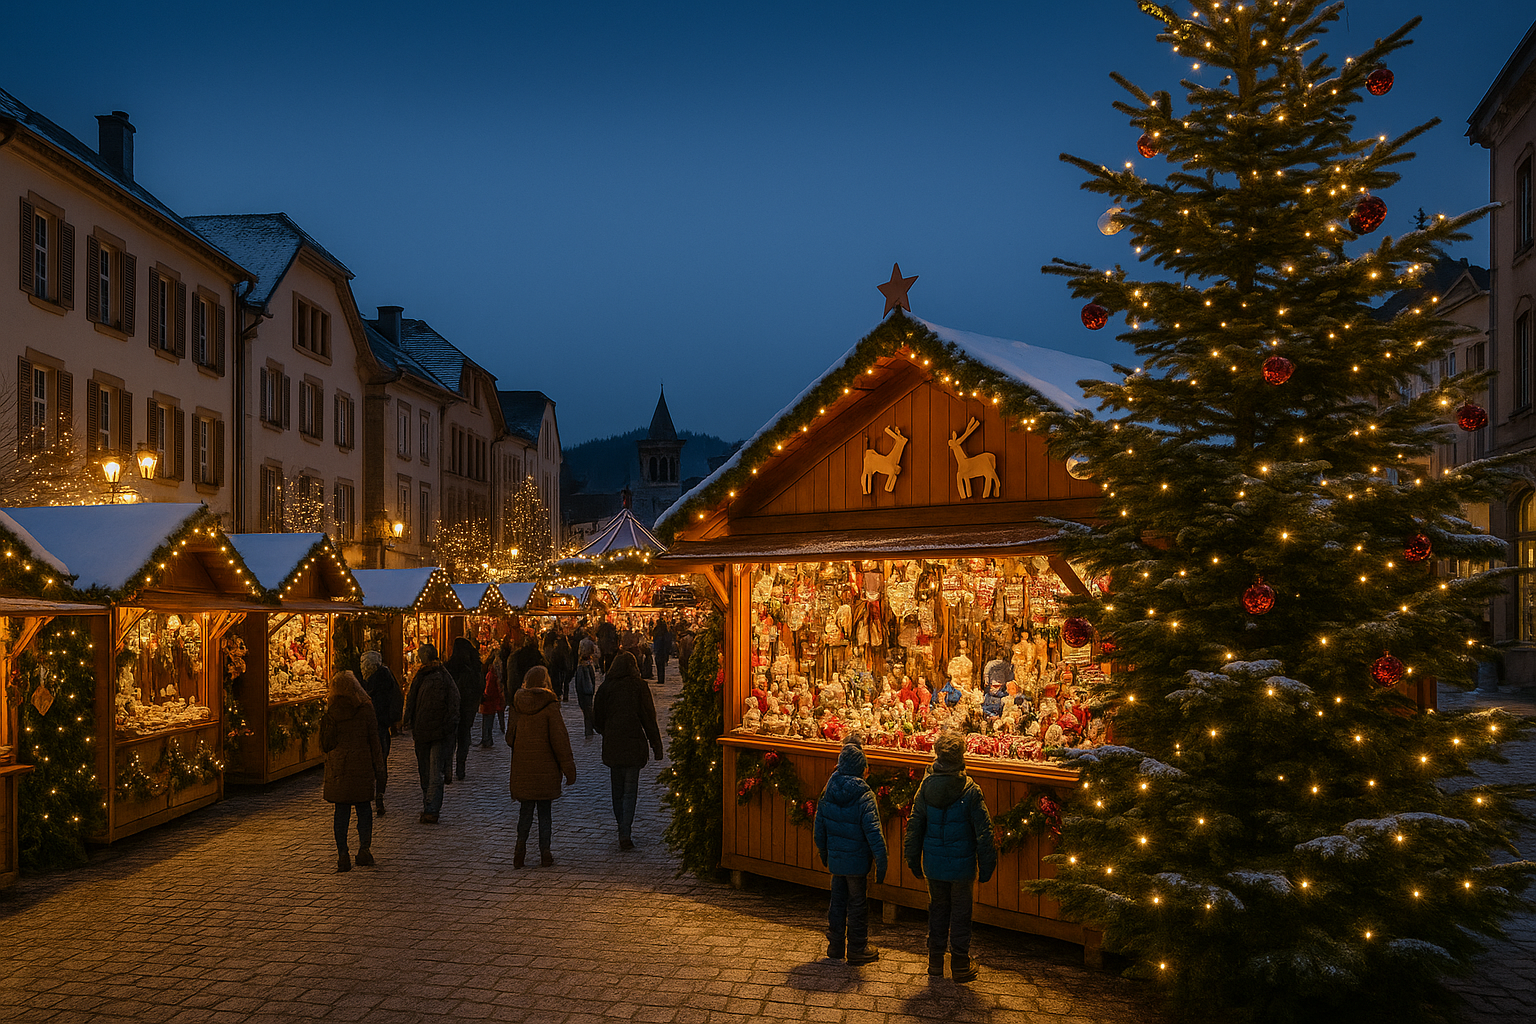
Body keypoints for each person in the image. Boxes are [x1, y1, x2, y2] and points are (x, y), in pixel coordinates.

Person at [904, 731, 997, 983]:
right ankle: (959, 963)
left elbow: (915, 825)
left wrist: (912, 858)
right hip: (962, 866)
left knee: (937, 910)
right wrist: (987, 866)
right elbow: (984, 832)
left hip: (933, 865)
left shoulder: (925, 788)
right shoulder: (970, 791)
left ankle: (935, 962)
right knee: (960, 914)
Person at [813, 737, 887, 964]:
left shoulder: (828, 790)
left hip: (836, 860)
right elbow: (874, 832)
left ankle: (835, 945)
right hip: (857, 862)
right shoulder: (865, 796)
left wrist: (824, 853)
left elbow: (819, 827)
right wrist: (881, 862)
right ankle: (857, 947)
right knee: (857, 903)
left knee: (837, 901)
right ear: (862, 769)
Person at [591, 651, 665, 850]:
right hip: (633, 745)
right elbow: (648, 718)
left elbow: (597, 717)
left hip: (614, 745)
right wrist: (656, 744)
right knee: (630, 790)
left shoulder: (606, 688)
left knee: (617, 790)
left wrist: (606, 730)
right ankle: (625, 831)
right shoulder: (638, 686)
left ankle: (621, 827)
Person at [505, 665, 577, 868]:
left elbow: (510, 738)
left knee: (525, 811)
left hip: (524, 769)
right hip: (546, 771)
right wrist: (569, 768)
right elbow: (560, 740)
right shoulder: (550, 706)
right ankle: (545, 852)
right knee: (545, 812)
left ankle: (519, 850)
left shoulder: (517, 705)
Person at [320, 670, 386, 872]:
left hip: (339, 768)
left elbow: (325, 744)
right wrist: (380, 768)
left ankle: (342, 854)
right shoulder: (365, 709)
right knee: (364, 809)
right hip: (362, 765)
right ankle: (364, 850)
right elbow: (375, 741)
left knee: (341, 812)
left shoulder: (331, 712)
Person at [403, 643, 459, 824]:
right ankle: (428, 804)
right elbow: (412, 699)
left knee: (434, 772)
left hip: (437, 733)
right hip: (422, 732)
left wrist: (448, 727)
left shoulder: (442, 676)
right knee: (426, 772)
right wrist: (408, 720)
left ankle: (432, 809)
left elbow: (454, 703)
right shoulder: (422, 676)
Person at [358, 650, 402, 817]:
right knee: (380, 761)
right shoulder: (381, 678)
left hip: (378, 727)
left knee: (376, 761)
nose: (363, 669)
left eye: (364, 665)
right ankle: (378, 795)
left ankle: (375, 795)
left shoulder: (372, 682)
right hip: (381, 726)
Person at [446, 636, 484, 782]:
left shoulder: (451, 667)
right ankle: (460, 766)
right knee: (464, 736)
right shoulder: (475, 667)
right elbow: (480, 685)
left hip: (454, 707)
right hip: (468, 708)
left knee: (451, 737)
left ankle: (449, 767)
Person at [480, 639, 512, 747]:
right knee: (488, 720)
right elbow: (490, 688)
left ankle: (487, 738)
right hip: (490, 700)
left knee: (488, 720)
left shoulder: (490, 674)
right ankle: (487, 739)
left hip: (490, 700)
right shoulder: (492, 675)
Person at [574, 629, 599, 737]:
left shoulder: (580, 666)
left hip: (582, 691)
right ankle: (590, 728)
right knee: (588, 707)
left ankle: (589, 728)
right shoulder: (588, 667)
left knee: (585, 708)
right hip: (587, 691)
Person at [651, 617, 672, 685]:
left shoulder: (658, 632)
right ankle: (661, 678)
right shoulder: (666, 633)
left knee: (659, 664)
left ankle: (660, 679)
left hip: (659, 650)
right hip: (662, 650)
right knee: (661, 665)